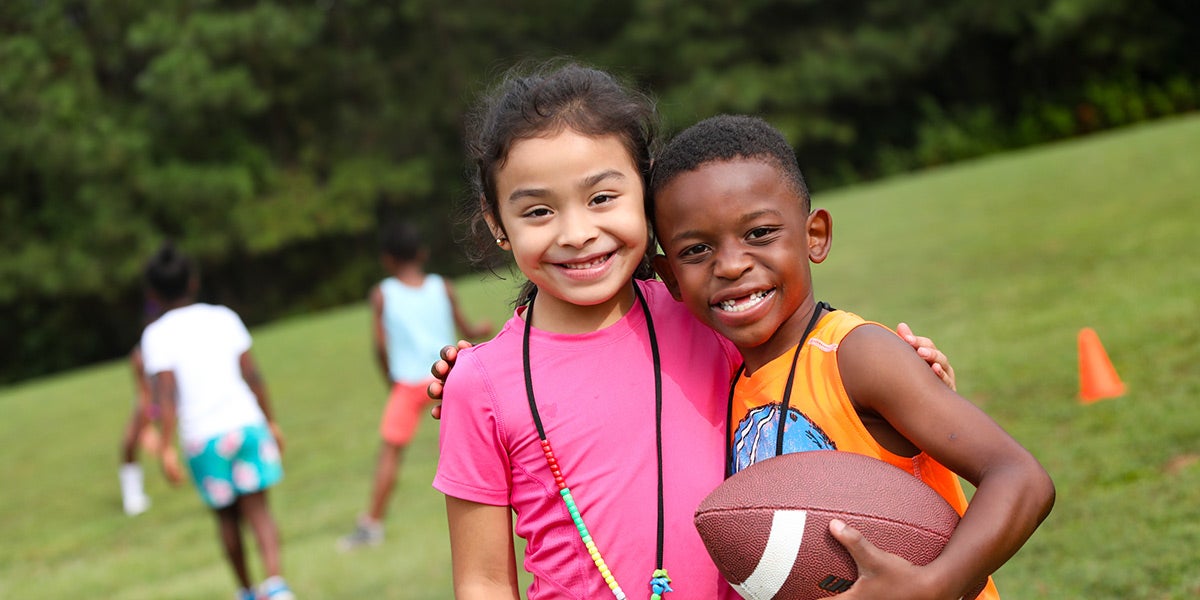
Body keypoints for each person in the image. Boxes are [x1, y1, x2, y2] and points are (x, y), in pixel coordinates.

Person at [431, 61, 955, 600]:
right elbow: (484, 579)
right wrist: (473, 375)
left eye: (602, 198)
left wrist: (912, 383)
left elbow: (817, 384)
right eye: (539, 211)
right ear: (497, 223)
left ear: (647, 192)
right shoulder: (480, 384)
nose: (577, 232)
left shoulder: (707, 316)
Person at [648, 114, 1056, 600]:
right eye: (696, 250)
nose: (732, 265)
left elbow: (1020, 477)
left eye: (759, 233)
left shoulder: (857, 355)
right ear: (669, 276)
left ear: (815, 235)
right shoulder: (728, 384)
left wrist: (933, 585)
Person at [139, 243, 296, 600]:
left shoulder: (156, 336)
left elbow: (165, 395)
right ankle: (277, 584)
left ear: (153, 292)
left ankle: (246, 590)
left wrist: (165, 447)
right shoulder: (223, 317)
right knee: (259, 509)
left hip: (203, 438)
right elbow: (252, 374)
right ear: (192, 281)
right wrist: (271, 421)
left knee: (226, 518)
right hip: (246, 424)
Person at [337, 221, 492, 551]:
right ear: (422, 252)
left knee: (390, 453)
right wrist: (481, 328)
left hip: (407, 383)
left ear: (387, 260)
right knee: (476, 448)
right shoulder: (442, 285)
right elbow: (465, 328)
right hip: (449, 376)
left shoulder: (382, 293)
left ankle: (372, 525)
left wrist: (389, 380)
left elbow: (379, 346)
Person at [117, 343, 161, 516]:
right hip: (151, 403)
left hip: (175, 397)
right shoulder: (138, 356)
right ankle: (133, 496)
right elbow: (144, 392)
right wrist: (147, 425)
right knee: (128, 444)